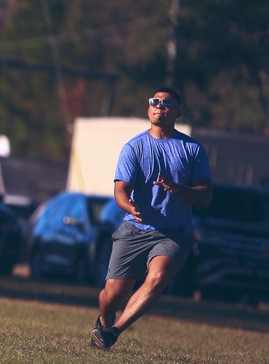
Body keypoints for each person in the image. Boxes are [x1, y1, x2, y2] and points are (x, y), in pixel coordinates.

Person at [90, 87, 213, 350]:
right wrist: (130, 207)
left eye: (166, 103)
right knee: (113, 295)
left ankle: (112, 333)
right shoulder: (134, 147)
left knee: (157, 279)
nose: (159, 106)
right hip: (135, 229)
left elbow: (205, 196)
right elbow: (120, 190)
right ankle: (103, 321)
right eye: (154, 102)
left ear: (177, 112)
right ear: (149, 108)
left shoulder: (192, 150)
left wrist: (180, 189)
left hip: (174, 233)